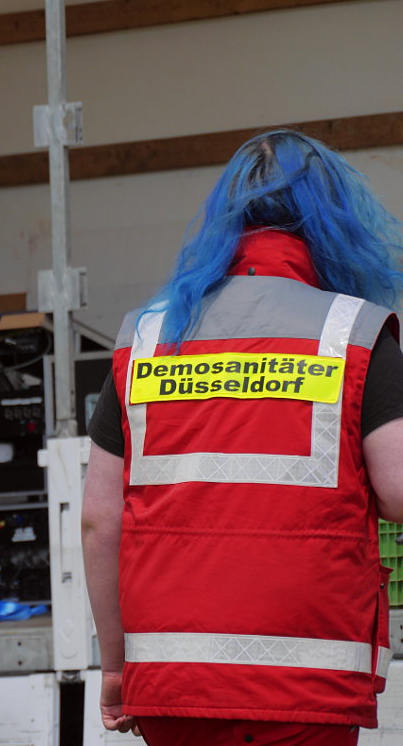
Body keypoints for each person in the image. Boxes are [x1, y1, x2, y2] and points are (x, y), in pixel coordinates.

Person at [82, 129, 403, 746]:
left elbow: (100, 520)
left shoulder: (146, 340)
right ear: (335, 223)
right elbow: (397, 491)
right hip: (305, 694)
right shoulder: (353, 333)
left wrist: (119, 667)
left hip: (174, 691)